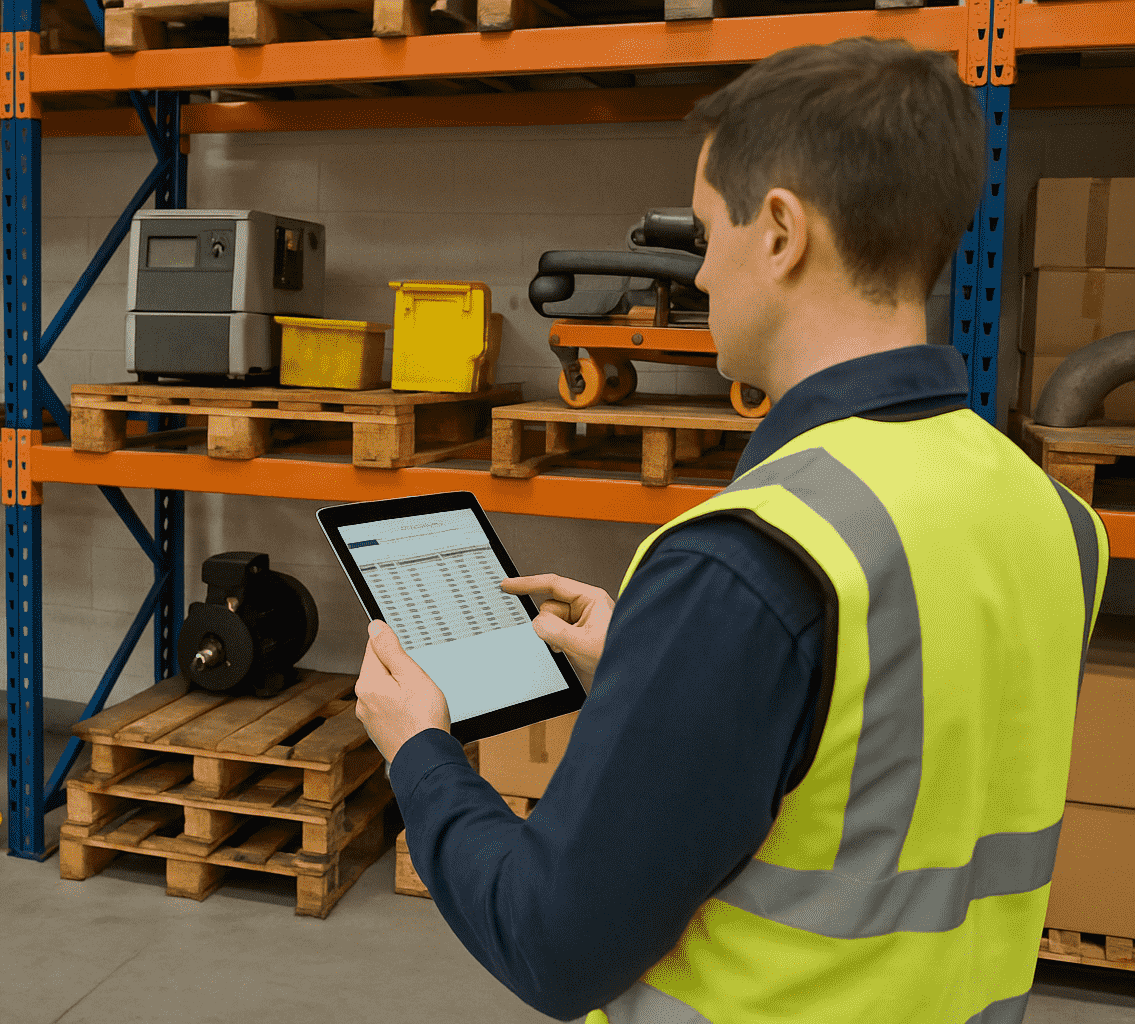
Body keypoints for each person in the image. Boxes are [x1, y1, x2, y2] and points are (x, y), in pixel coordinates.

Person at [352, 35, 1110, 1024]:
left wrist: (418, 750)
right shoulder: (1053, 516)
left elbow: (551, 940)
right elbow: (895, 747)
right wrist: (667, 662)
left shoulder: (748, 559)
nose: (701, 277)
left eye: (708, 234)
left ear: (783, 233)